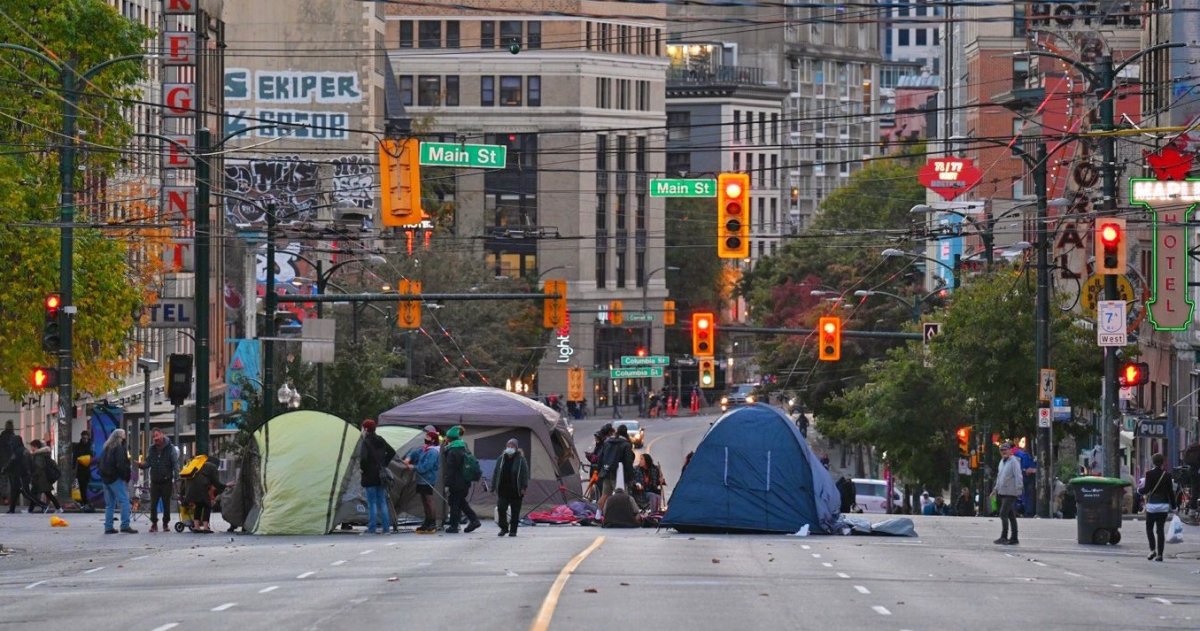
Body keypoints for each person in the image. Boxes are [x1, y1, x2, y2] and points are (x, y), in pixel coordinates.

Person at [358, 419, 397, 535]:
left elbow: (363, 459)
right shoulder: (381, 440)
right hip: (381, 474)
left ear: (365, 429)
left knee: (372, 503)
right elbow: (392, 452)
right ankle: (386, 529)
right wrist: (384, 463)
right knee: (382, 502)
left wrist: (363, 469)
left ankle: (372, 528)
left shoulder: (366, 442)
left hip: (369, 474)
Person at [441, 426, 480, 534]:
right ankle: (473, 520)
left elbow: (451, 469)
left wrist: (447, 484)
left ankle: (455, 526)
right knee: (460, 502)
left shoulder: (452, 450)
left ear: (450, 438)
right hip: (465, 481)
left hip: (456, 482)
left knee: (454, 503)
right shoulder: (464, 447)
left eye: (447, 437)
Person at [1138, 452, 1177, 562]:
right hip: (1163, 506)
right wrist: (1174, 507)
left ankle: (1152, 550)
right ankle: (1160, 555)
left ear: (1153, 462)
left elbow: (1145, 490)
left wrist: (1138, 490)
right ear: (1163, 462)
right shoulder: (1167, 475)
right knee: (1160, 530)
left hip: (1152, 506)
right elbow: (1170, 492)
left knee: (1149, 528)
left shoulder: (1149, 474)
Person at [137, 430, 178, 532]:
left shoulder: (170, 448)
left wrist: (177, 477)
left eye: (157, 436)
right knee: (153, 504)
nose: (156, 439)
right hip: (155, 481)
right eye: (154, 437)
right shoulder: (152, 449)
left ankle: (165, 523)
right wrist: (141, 465)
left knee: (166, 504)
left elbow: (175, 463)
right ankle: (154, 523)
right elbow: (148, 462)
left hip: (166, 481)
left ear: (162, 435)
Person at [98, 429, 136, 534]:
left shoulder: (106, 448)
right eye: (124, 434)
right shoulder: (119, 447)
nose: (125, 436)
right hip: (116, 478)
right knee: (124, 501)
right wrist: (126, 476)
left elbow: (99, 463)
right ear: (120, 436)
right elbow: (121, 464)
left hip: (106, 479)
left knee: (110, 504)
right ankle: (125, 525)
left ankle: (108, 527)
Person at [404, 429, 441, 534]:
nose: (425, 439)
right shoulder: (424, 449)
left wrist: (413, 467)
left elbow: (426, 467)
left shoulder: (433, 452)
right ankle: (427, 521)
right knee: (424, 501)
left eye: (428, 437)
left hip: (428, 479)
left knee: (429, 500)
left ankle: (432, 522)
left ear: (433, 440)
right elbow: (414, 453)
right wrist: (408, 458)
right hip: (420, 480)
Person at [491, 438, 529, 537]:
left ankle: (513, 530)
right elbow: (496, 473)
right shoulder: (501, 459)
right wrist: (493, 486)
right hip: (503, 490)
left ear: (516, 448)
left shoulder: (521, 460)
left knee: (515, 511)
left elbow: (525, 474)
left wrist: (524, 487)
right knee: (501, 508)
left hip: (516, 490)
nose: (510, 448)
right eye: (508, 446)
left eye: (512, 446)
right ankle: (504, 528)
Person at [597, 424, 635, 512]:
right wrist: (630, 476)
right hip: (619, 474)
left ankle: (598, 515)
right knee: (623, 496)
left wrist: (600, 471)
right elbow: (628, 462)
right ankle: (623, 516)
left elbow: (600, 458)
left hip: (607, 472)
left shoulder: (607, 442)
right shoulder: (626, 444)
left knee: (605, 495)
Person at [184, 455, 224, 533]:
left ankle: (196, 527)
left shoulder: (198, 465)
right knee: (207, 505)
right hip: (201, 487)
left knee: (198, 505)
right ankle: (206, 528)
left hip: (190, 489)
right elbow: (216, 483)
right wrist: (225, 486)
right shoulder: (212, 467)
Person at [993, 441, 1023, 545]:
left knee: (1003, 513)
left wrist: (1019, 489)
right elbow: (999, 476)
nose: (1003, 452)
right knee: (1011, 515)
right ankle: (1014, 538)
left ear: (1010, 451)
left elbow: (1018, 476)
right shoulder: (1002, 462)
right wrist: (995, 489)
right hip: (1002, 491)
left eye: (1005, 449)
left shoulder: (1014, 461)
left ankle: (1004, 536)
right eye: (1001, 450)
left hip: (1011, 492)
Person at [28, 439, 62, 513]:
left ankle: (53, 508)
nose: (31, 449)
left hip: (41, 479)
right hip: (43, 479)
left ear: (36, 447)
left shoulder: (38, 456)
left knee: (34, 494)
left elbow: (39, 467)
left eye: (32, 447)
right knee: (42, 494)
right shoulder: (42, 454)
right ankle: (58, 508)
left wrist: (33, 475)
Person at [72, 430, 93, 509]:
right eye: (84, 438)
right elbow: (75, 457)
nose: (85, 440)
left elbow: (92, 456)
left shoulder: (90, 446)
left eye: (86, 438)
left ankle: (85, 502)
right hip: (80, 470)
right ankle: (83, 502)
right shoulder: (78, 446)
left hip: (86, 470)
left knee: (84, 487)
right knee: (81, 487)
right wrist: (73, 468)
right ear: (81, 437)